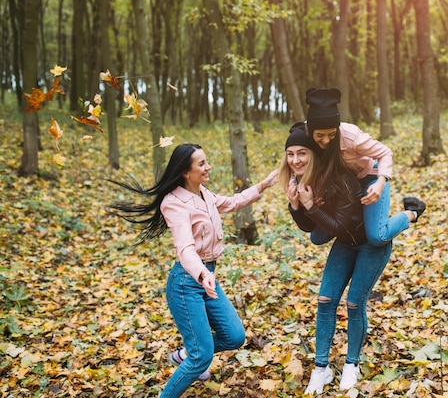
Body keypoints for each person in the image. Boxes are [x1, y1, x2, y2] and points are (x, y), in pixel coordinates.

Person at [109, 143, 278, 398]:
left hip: (208, 278)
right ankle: (190, 361)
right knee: (202, 357)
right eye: (202, 164)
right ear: (186, 172)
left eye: (206, 161)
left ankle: (185, 354)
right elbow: (185, 248)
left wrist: (264, 184)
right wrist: (201, 274)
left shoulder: (204, 194)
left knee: (234, 337)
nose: (208, 167)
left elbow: (233, 202)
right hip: (187, 283)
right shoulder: (174, 203)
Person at [278, 126, 393, 394]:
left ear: (314, 154)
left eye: (302, 153)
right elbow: (312, 230)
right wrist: (296, 205)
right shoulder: (306, 180)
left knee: (354, 303)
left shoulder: (340, 179)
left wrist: (310, 207)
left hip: (369, 243)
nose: (295, 160)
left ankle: (352, 365)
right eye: (290, 154)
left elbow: (339, 228)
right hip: (345, 244)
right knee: (325, 300)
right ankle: (321, 369)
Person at [300, 87, 426, 247]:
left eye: (331, 135)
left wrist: (380, 184)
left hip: (369, 179)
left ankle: (413, 211)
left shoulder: (351, 137)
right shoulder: (303, 135)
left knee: (377, 236)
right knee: (317, 237)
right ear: (311, 131)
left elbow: (385, 153)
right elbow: (292, 161)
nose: (326, 140)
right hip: (343, 185)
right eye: (319, 135)